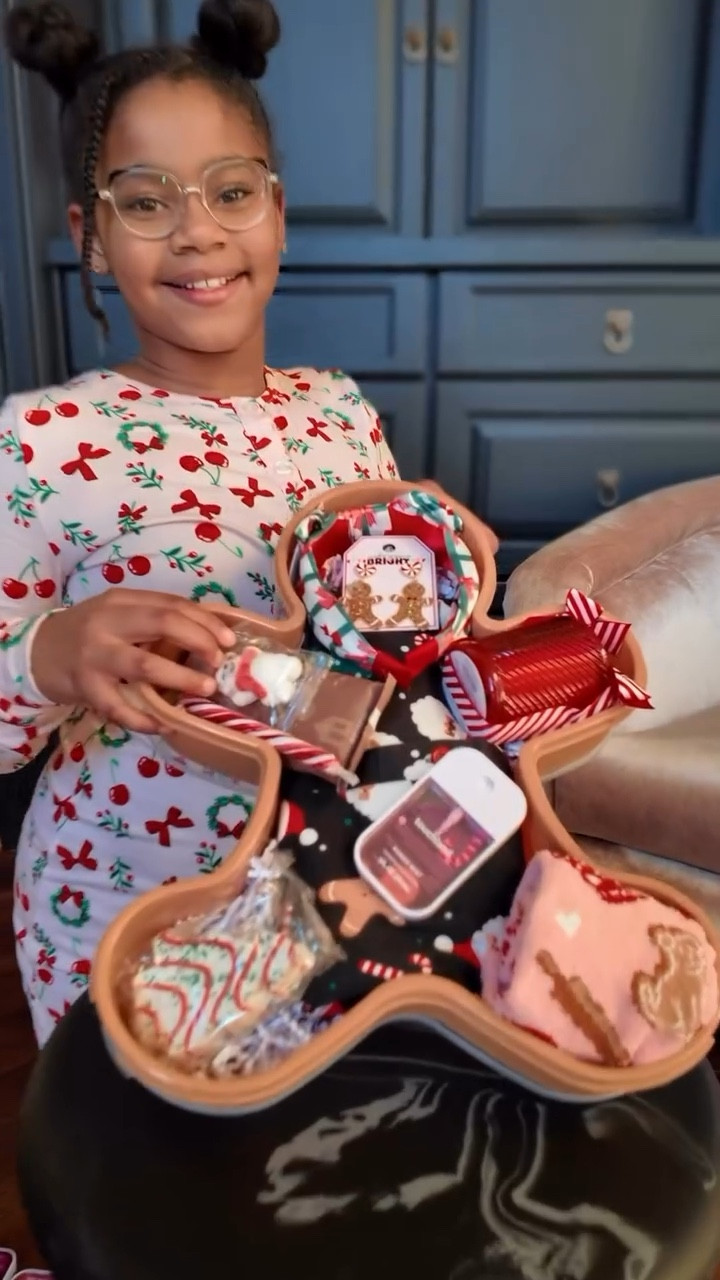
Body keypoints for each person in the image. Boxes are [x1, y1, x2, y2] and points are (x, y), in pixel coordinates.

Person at [2, 0, 398, 1045]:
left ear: (277, 212)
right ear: (90, 236)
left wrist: (443, 574)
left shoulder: (341, 411)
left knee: (296, 1156)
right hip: (123, 904)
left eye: (231, 191)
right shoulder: (41, 442)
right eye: (145, 202)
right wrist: (47, 652)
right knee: (144, 1175)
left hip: (328, 895)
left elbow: (390, 644)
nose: (198, 230)